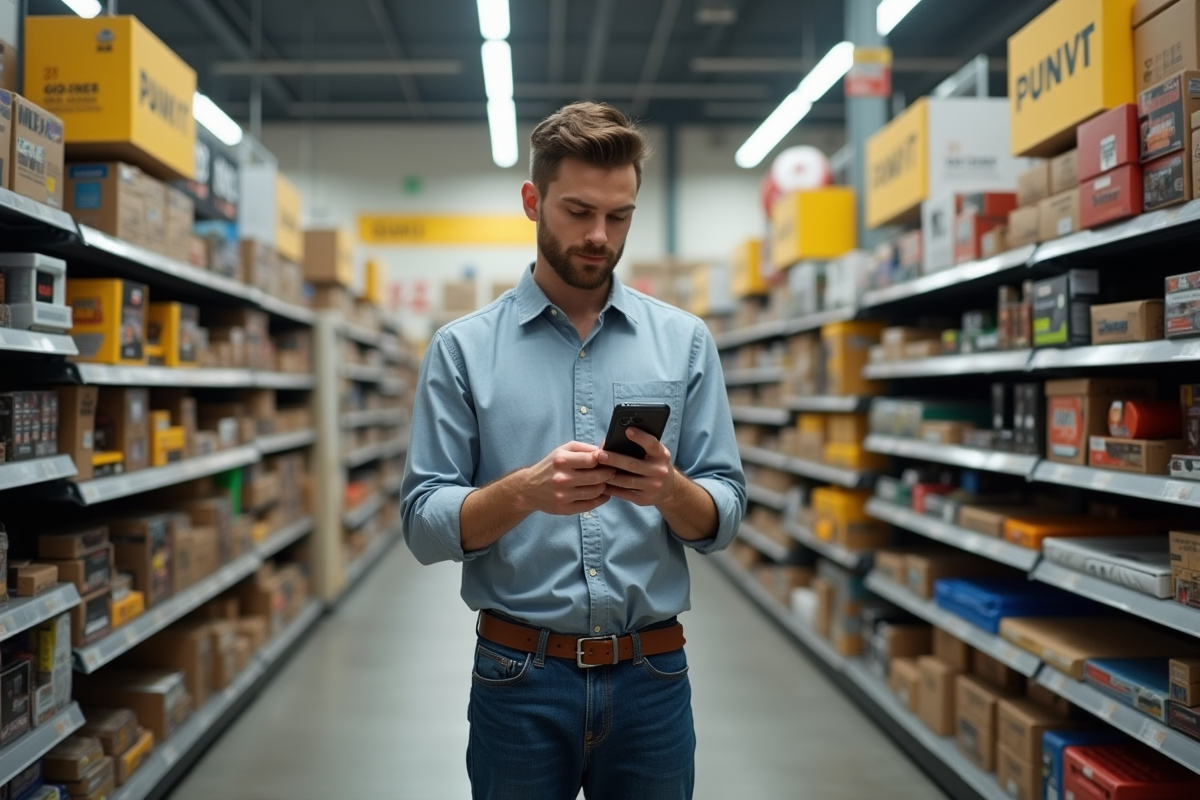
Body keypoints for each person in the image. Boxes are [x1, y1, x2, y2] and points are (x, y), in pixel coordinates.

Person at [401, 101, 746, 800]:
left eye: (619, 216)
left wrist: (670, 490)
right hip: (518, 675)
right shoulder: (464, 350)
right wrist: (523, 493)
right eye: (578, 211)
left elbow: (727, 510)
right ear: (533, 201)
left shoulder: (683, 343)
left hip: (653, 675)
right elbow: (423, 522)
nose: (599, 235)